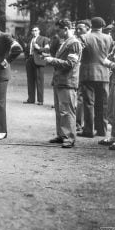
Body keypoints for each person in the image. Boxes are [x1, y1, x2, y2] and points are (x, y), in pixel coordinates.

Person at [43, 19, 83, 148]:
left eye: (59, 30)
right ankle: (62, 135)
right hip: (60, 81)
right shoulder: (65, 42)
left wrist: (52, 60)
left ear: (66, 29)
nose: (57, 33)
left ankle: (69, 138)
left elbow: (70, 64)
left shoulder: (74, 43)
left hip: (68, 81)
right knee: (60, 110)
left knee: (67, 111)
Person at [77, 17, 113, 138]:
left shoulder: (84, 37)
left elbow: (79, 54)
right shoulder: (109, 38)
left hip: (88, 73)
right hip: (104, 73)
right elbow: (110, 55)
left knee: (89, 103)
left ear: (91, 25)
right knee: (103, 103)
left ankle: (88, 130)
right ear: (102, 26)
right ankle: (102, 130)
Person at [98, 22, 115, 150]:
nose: (111, 34)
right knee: (112, 108)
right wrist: (113, 64)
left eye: (113, 32)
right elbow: (108, 59)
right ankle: (113, 136)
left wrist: (114, 64)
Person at [23, 25, 50, 105]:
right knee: (30, 80)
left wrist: (39, 48)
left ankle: (40, 100)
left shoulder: (44, 39)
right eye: (33, 30)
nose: (34, 32)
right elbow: (26, 50)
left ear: (39, 31)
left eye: (36, 30)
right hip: (30, 61)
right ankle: (31, 99)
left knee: (39, 81)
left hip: (39, 61)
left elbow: (47, 50)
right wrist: (26, 59)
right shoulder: (30, 40)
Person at [75, 19, 91, 132]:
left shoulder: (81, 39)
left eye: (80, 28)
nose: (78, 30)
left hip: (84, 72)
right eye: (77, 28)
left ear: (88, 29)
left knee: (81, 97)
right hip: (97, 73)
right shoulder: (102, 37)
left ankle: (79, 123)